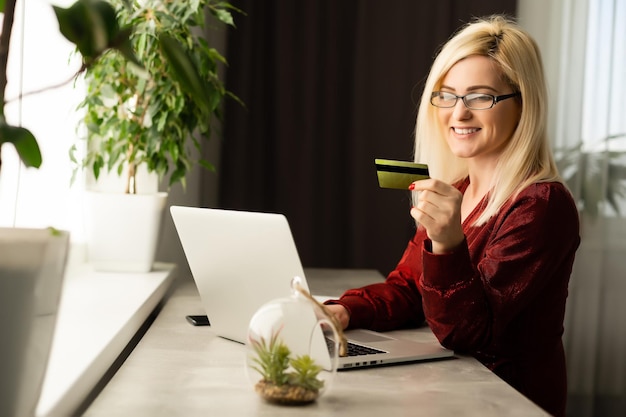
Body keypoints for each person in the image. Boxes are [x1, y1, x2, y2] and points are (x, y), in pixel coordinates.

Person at [325, 15, 580, 417]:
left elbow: (466, 335)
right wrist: (342, 310)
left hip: (504, 401)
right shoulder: (459, 189)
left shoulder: (541, 204)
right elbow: (410, 289)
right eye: (447, 95)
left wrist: (446, 242)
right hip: (450, 390)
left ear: (523, 103)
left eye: (480, 97)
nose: (458, 114)